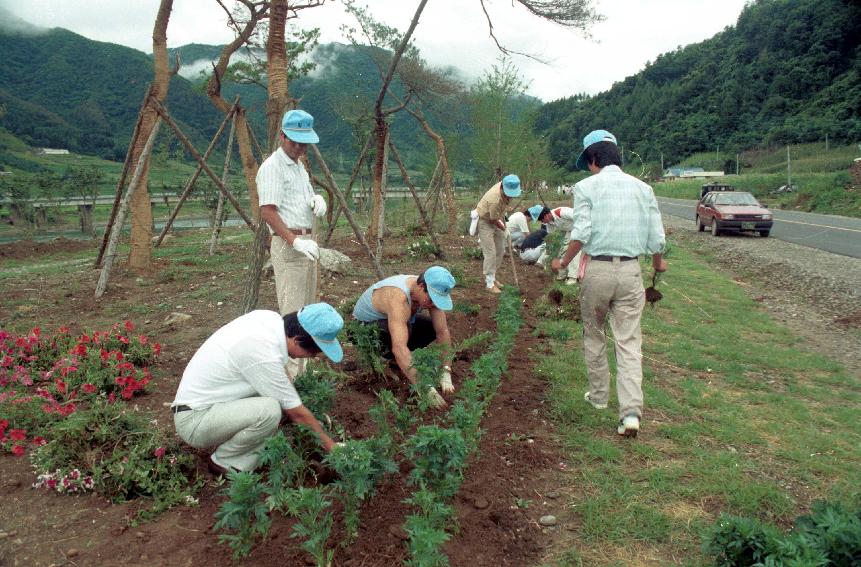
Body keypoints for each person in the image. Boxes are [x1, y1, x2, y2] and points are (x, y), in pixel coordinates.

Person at [552, 129, 667, 438]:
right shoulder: (643, 189)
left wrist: (563, 263)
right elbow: (657, 238)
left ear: (593, 159)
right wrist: (658, 266)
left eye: (587, 163)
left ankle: (599, 397)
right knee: (629, 342)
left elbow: (581, 233)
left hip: (598, 271)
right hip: (631, 272)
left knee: (594, 333)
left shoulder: (586, 187)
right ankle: (630, 413)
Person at [171, 303, 345, 474]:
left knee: (278, 406)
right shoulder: (261, 351)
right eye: (313, 353)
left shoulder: (269, 319)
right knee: (269, 411)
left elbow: (282, 380)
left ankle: (240, 447)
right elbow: (297, 414)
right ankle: (226, 461)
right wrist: (332, 448)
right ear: (297, 340)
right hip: (195, 421)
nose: (313, 357)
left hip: (210, 407)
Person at [352, 266, 456, 408]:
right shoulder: (398, 298)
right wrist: (424, 387)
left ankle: (398, 362)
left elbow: (442, 331)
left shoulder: (428, 291)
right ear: (420, 286)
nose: (433, 304)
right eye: (432, 299)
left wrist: (446, 370)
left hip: (396, 323)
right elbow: (399, 347)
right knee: (396, 334)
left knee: (429, 328)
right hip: (363, 331)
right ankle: (382, 360)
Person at [258, 109, 328, 317]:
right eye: (293, 141)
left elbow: (298, 201)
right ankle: (289, 349)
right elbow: (267, 211)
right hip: (289, 243)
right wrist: (295, 241)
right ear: (282, 135)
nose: (298, 147)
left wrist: (315, 199)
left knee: (309, 305)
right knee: (293, 309)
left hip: (308, 241)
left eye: (303, 143)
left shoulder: (299, 167)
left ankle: (305, 349)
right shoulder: (272, 167)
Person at [475, 174, 522, 294]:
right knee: (490, 253)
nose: (510, 198)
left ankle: (493, 277)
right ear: (502, 188)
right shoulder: (494, 199)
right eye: (508, 195)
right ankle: (489, 283)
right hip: (485, 221)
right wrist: (504, 229)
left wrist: (503, 217)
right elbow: (493, 220)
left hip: (497, 218)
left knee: (500, 250)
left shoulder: (507, 183)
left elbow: (500, 213)